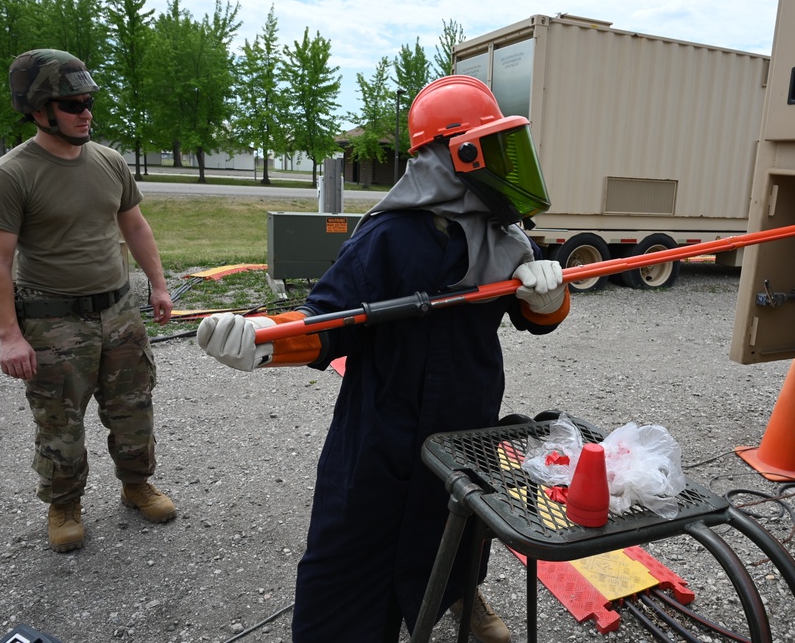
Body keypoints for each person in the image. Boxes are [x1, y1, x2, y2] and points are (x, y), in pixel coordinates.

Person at [197, 75, 570, 642]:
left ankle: (458, 595)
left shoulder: (507, 239)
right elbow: (328, 324)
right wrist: (262, 340)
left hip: (467, 421)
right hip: (380, 428)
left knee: (458, 522)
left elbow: (536, 320)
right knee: (354, 550)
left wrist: (550, 297)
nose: (499, 159)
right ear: (455, 155)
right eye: (487, 146)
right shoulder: (387, 236)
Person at [0, 49, 177, 554]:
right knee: (59, 421)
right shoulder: (11, 174)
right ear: (39, 110)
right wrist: (10, 336)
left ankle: (136, 486)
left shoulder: (109, 161)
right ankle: (64, 503)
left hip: (119, 312)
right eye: (72, 103)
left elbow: (134, 225)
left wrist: (157, 284)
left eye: (88, 102)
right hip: (53, 320)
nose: (85, 112)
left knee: (134, 409)